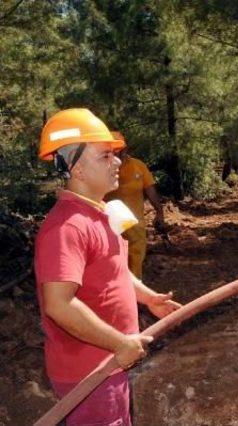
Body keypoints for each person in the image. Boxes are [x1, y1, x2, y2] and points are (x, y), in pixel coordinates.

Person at [34, 108, 181, 425]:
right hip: (88, 372)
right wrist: (120, 343)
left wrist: (148, 297)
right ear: (77, 170)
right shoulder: (66, 227)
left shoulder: (100, 214)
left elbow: (116, 273)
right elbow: (59, 306)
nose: (117, 162)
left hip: (109, 362)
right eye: (104, 156)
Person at [106, 131, 165, 278]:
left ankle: (134, 296)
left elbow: (151, 191)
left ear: (126, 148)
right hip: (109, 227)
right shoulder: (102, 169)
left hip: (135, 227)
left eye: (119, 150)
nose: (117, 154)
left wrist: (160, 213)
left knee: (135, 263)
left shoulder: (139, 166)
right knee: (113, 264)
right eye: (112, 151)